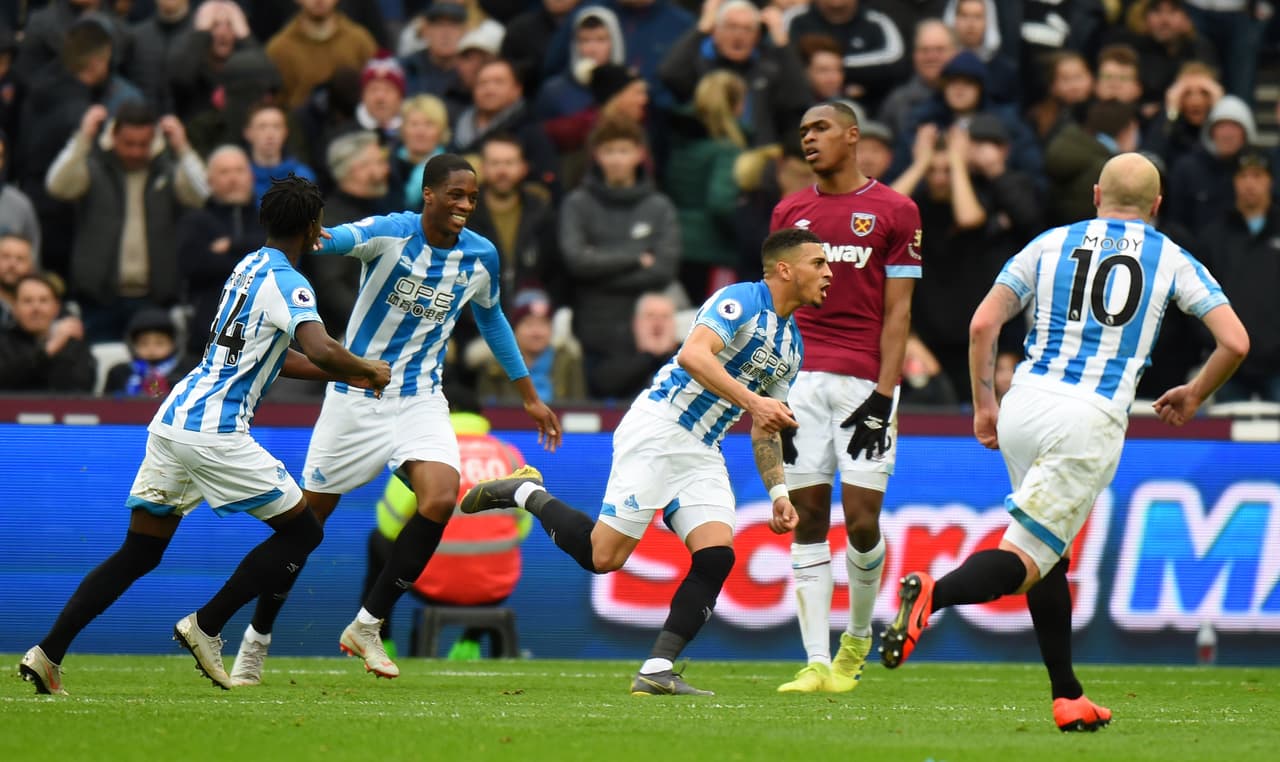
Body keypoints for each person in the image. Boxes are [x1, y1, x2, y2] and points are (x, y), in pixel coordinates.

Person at [879, 153, 1250, 732]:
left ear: (1096, 194)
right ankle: (933, 592)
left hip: (1024, 406)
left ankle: (1067, 694)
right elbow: (1235, 341)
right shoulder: (1171, 256)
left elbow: (983, 324)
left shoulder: (1049, 243)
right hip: (1088, 418)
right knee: (1029, 557)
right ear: (1157, 206)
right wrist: (1196, 393)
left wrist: (984, 404)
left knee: (1050, 556)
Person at [18, 176, 391, 695]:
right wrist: (367, 369)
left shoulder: (247, 266)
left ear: (265, 221)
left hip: (174, 419)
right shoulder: (291, 283)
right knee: (303, 532)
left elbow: (273, 355)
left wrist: (342, 372)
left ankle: (47, 652)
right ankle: (208, 625)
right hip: (215, 431)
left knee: (140, 552)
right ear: (313, 229)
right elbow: (323, 346)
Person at [226, 153, 561, 686]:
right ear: (427, 193)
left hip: (421, 397)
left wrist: (528, 394)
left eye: (472, 198)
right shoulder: (391, 233)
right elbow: (328, 240)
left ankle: (368, 623)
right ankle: (256, 638)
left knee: (438, 498)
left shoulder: (481, 257)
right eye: (456, 194)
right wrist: (292, 233)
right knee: (304, 532)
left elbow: (492, 316)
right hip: (355, 397)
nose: (465, 206)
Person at [458, 227, 831, 695]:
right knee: (603, 557)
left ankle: (657, 668)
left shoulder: (792, 347)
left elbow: (765, 427)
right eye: (818, 262)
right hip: (659, 428)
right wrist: (752, 401)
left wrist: (779, 491)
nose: (829, 272)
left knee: (716, 556)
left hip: (702, 450)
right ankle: (524, 491)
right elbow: (694, 354)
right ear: (784, 269)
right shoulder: (740, 301)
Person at [769, 100, 922, 694]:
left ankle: (856, 638)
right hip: (801, 381)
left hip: (865, 383)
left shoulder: (895, 211)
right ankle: (814, 661)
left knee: (861, 521)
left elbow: (899, 311)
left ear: (852, 136)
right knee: (807, 517)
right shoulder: (790, 211)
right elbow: (779, 307)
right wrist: (771, 389)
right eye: (803, 130)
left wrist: (886, 394)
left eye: (821, 128)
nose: (809, 139)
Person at [0, 272, 95, 393]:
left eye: (43, 300)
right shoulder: (3, 342)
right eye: (27, 301)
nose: (36, 308)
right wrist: (48, 350)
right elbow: (6, 378)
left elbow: (81, 386)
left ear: (56, 308)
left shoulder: (72, 343)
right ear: (14, 308)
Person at [104, 307, 194, 397]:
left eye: (160, 343)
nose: (151, 348)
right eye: (144, 343)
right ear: (132, 345)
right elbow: (105, 405)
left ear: (174, 343)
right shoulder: (119, 373)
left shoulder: (189, 371)